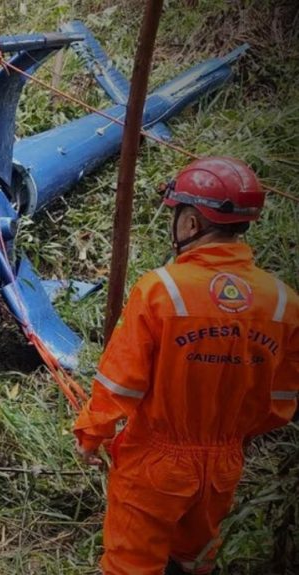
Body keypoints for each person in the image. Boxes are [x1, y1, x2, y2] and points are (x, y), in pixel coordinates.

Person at [74, 157, 299, 575]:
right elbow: (280, 400)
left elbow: (120, 381)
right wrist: (231, 436)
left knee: (131, 564)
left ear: (192, 223)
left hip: (155, 463)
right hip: (224, 464)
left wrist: (91, 434)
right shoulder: (284, 302)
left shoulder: (161, 290)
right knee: (195, 560)